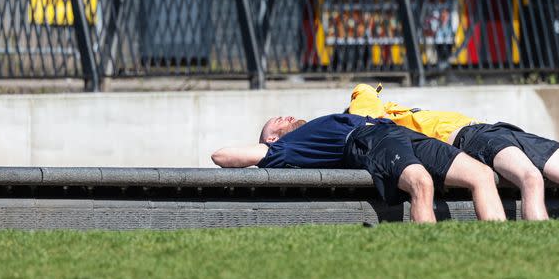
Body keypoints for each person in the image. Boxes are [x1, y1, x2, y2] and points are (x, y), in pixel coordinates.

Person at [347, 84, 559, 220]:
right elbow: (364, 95)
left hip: (498, 129)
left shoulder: (400, 112)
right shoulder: (376, 124)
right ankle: (540, 248)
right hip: (472, 137)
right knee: (530, 178)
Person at [212, 113, 506, 224]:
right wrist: (265, 149)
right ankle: (428, 253)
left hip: (398, 133)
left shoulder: (310, 128)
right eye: (276, 121)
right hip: (370, 140)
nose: (284, 116)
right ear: (272, 138)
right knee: (422, 183)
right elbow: (222, 156)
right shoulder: (285, 147)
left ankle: (499, 251)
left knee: (481, 175)